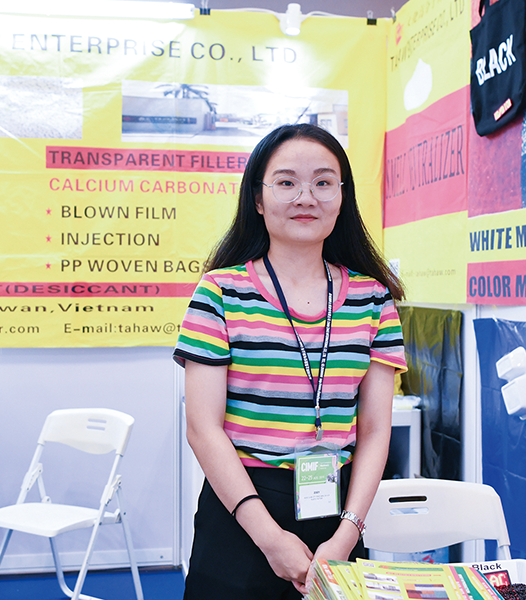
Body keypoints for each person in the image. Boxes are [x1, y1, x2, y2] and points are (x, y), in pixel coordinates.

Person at [173, 123, 407, 599]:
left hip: (337, 515)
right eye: (286, 182)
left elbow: (375, 430)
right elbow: (202, 427)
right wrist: (270, 538)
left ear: (342, 197)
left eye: (323, 182)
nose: (306, 197)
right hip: (242, 510)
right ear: (258, 199)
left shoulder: (372, 298)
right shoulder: (220, 292)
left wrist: (347, 535)